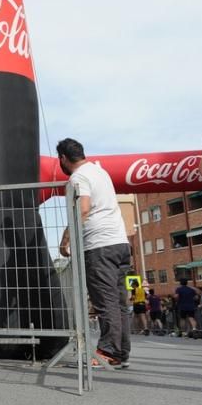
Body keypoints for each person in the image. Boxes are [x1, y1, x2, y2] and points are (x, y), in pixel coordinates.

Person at [57, 137, 132, 369]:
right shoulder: (101, 172)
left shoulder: (78, 177)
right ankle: (119, 352)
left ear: (63, 158)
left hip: (100, 245)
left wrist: (66, 239)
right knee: (119, 301)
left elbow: (84, 208)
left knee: (105, 300)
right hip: (120, 243)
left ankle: (106, 351)